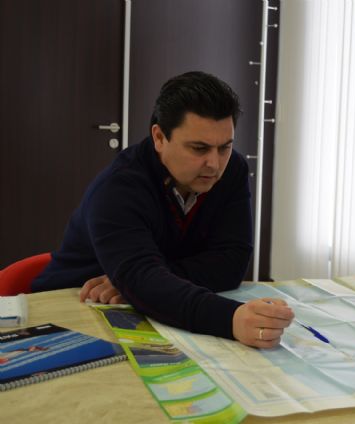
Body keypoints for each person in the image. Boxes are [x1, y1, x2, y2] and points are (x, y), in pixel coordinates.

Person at [32, 71, 293, 348]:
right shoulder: (118, 187)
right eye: (199, 148)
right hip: (69, 310)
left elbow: (232, 262)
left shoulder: (232, 170)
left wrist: (144, 282)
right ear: (159, 137)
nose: (214, 164)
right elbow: (142, 277)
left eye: (224, 148)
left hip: (149, 308)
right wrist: (230, 318)